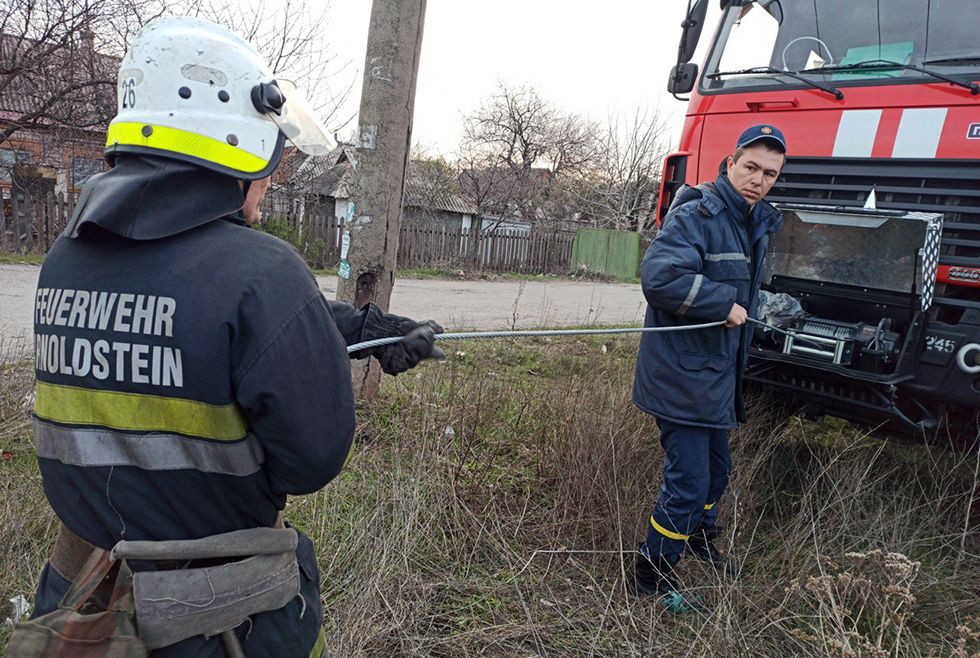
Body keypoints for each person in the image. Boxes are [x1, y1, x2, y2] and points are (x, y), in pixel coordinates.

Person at [28, 17, 441, 657]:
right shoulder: (265, 272)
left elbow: (193, 308)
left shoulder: (67, 256)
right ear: (231, 143)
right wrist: (320, 358)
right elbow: (312, 459)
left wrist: (363, 330)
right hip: (211, 620)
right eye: (270, 160)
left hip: (75, 602)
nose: (270, 179)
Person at [629, 125, 787, 610]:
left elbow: (740, 284)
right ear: (731, 162)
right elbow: (659, 278)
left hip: (714, 376)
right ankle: (650, 577)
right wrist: (722, 303)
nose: (758, 180)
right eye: (751, 167)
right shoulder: (699, 212)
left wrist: (769, 305)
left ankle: (697, 540)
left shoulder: (753, 220)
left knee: (717, 472)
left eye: (770, 174)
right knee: (689, 482)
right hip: (682, 375)